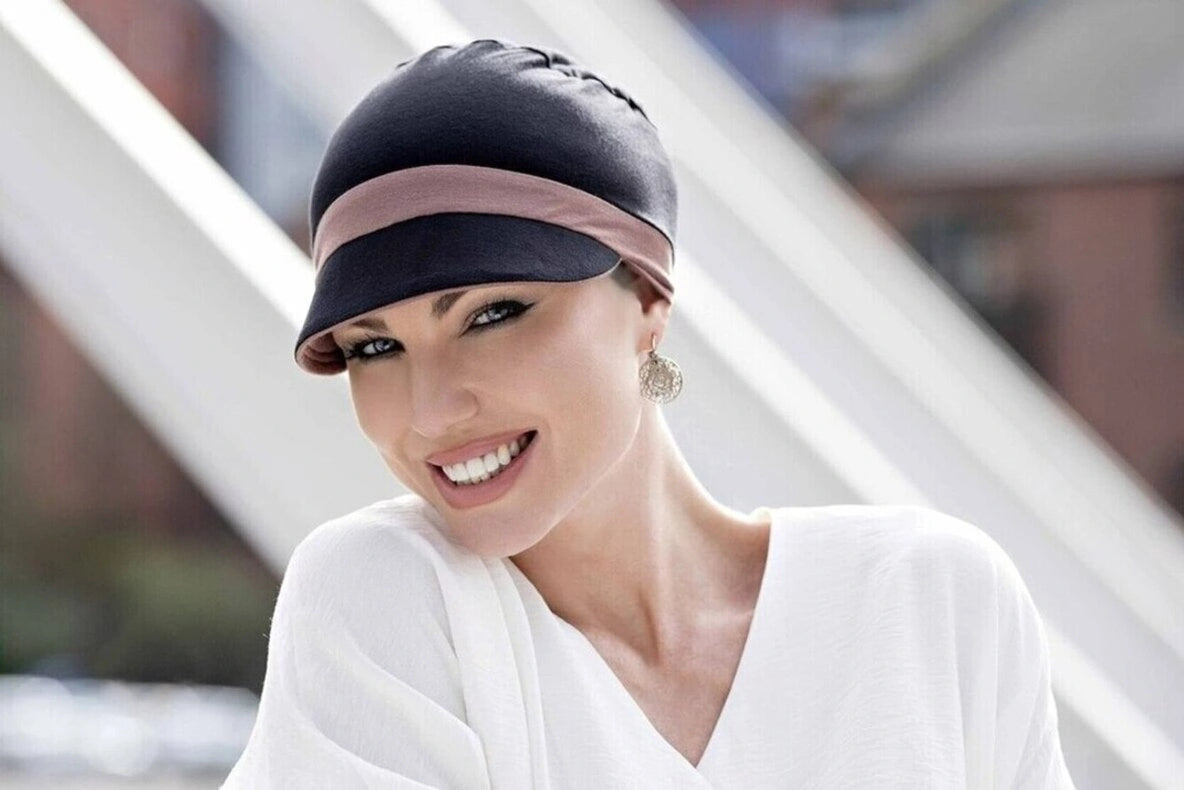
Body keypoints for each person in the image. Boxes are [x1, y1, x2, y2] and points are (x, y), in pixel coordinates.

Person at [222, 39, 1075, 789]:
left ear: (648, 300)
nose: (432, 410)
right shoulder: (387, 595)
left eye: (491, 315)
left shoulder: (934, 601)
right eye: (375, 347)